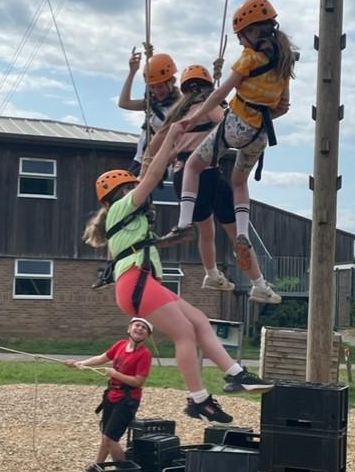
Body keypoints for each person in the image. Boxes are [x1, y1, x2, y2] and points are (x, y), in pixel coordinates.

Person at [82, 122, 273, 425]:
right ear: (117, 196)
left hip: (140, 282)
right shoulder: (122, 207)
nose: (136, 191)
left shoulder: (126, 221)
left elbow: (139, 243)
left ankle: (236, 374)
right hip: (136, 282)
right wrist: (171, 137)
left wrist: (167, 240)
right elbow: (152, 174)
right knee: (184, 332)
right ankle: (199, 399)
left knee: (198, 320)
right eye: (129, 188)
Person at [169, 0, 296, 277]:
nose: (239, 42)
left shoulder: (249, 58)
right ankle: (242, 234)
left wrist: (194, 118)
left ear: (253, 31)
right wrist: (259, 118)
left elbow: (219, 94)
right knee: (239, 182)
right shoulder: (284, 66)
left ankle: (184, 223)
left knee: (193, 166)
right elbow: (282, 107)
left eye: (240, 36)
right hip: (259, 135)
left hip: (235, 126)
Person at [141, 63, 280, 303]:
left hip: (182, 177)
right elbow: (224, 123)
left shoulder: (177, 113)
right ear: (207, 87)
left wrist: (149, 167)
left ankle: (212, 273)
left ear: (184, 90)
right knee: (236, 234)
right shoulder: (209, 105)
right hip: (207, 172)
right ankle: (259, 284)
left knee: (206, 231)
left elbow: (154, 146)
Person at [65, 316, 153, 472]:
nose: (140, 329)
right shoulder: (120, 345)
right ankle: (97, 468)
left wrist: (115, 374)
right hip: (112, 395)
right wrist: (79, 364)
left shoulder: (145, 354)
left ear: (147, 335)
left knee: (111, 439)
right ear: (129, 329)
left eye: (144, 328)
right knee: (106, 435)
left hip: (128, 400)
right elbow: (101, 358)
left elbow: (138, 381)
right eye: (137, 325)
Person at [118, 49, 181, 175]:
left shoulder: (179, 107)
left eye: (160, 86)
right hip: (140, 160)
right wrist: (132, 72)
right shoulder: (151, 104)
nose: (156, 91)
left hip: (159, 162)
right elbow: (124, 103)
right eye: (152, 87)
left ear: (171, 82)